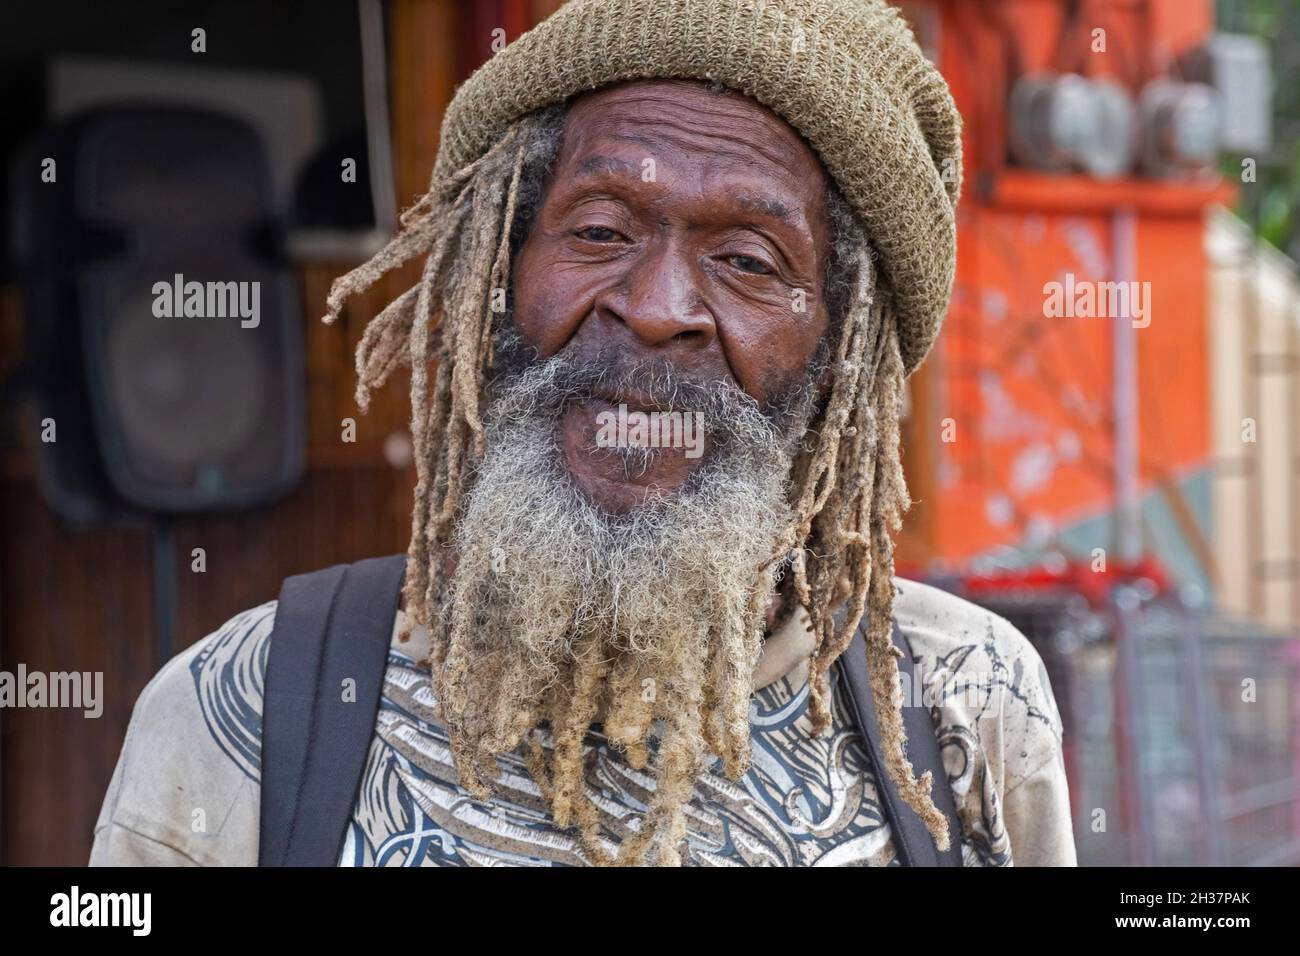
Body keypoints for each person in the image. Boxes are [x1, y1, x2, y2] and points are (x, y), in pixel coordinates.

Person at [91, 0, 1076, 867]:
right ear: (498, 277)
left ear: (839, 351)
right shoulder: (246, 711)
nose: (654, 308)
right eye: (600, 231)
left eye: (744, 257)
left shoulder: (969, 704)